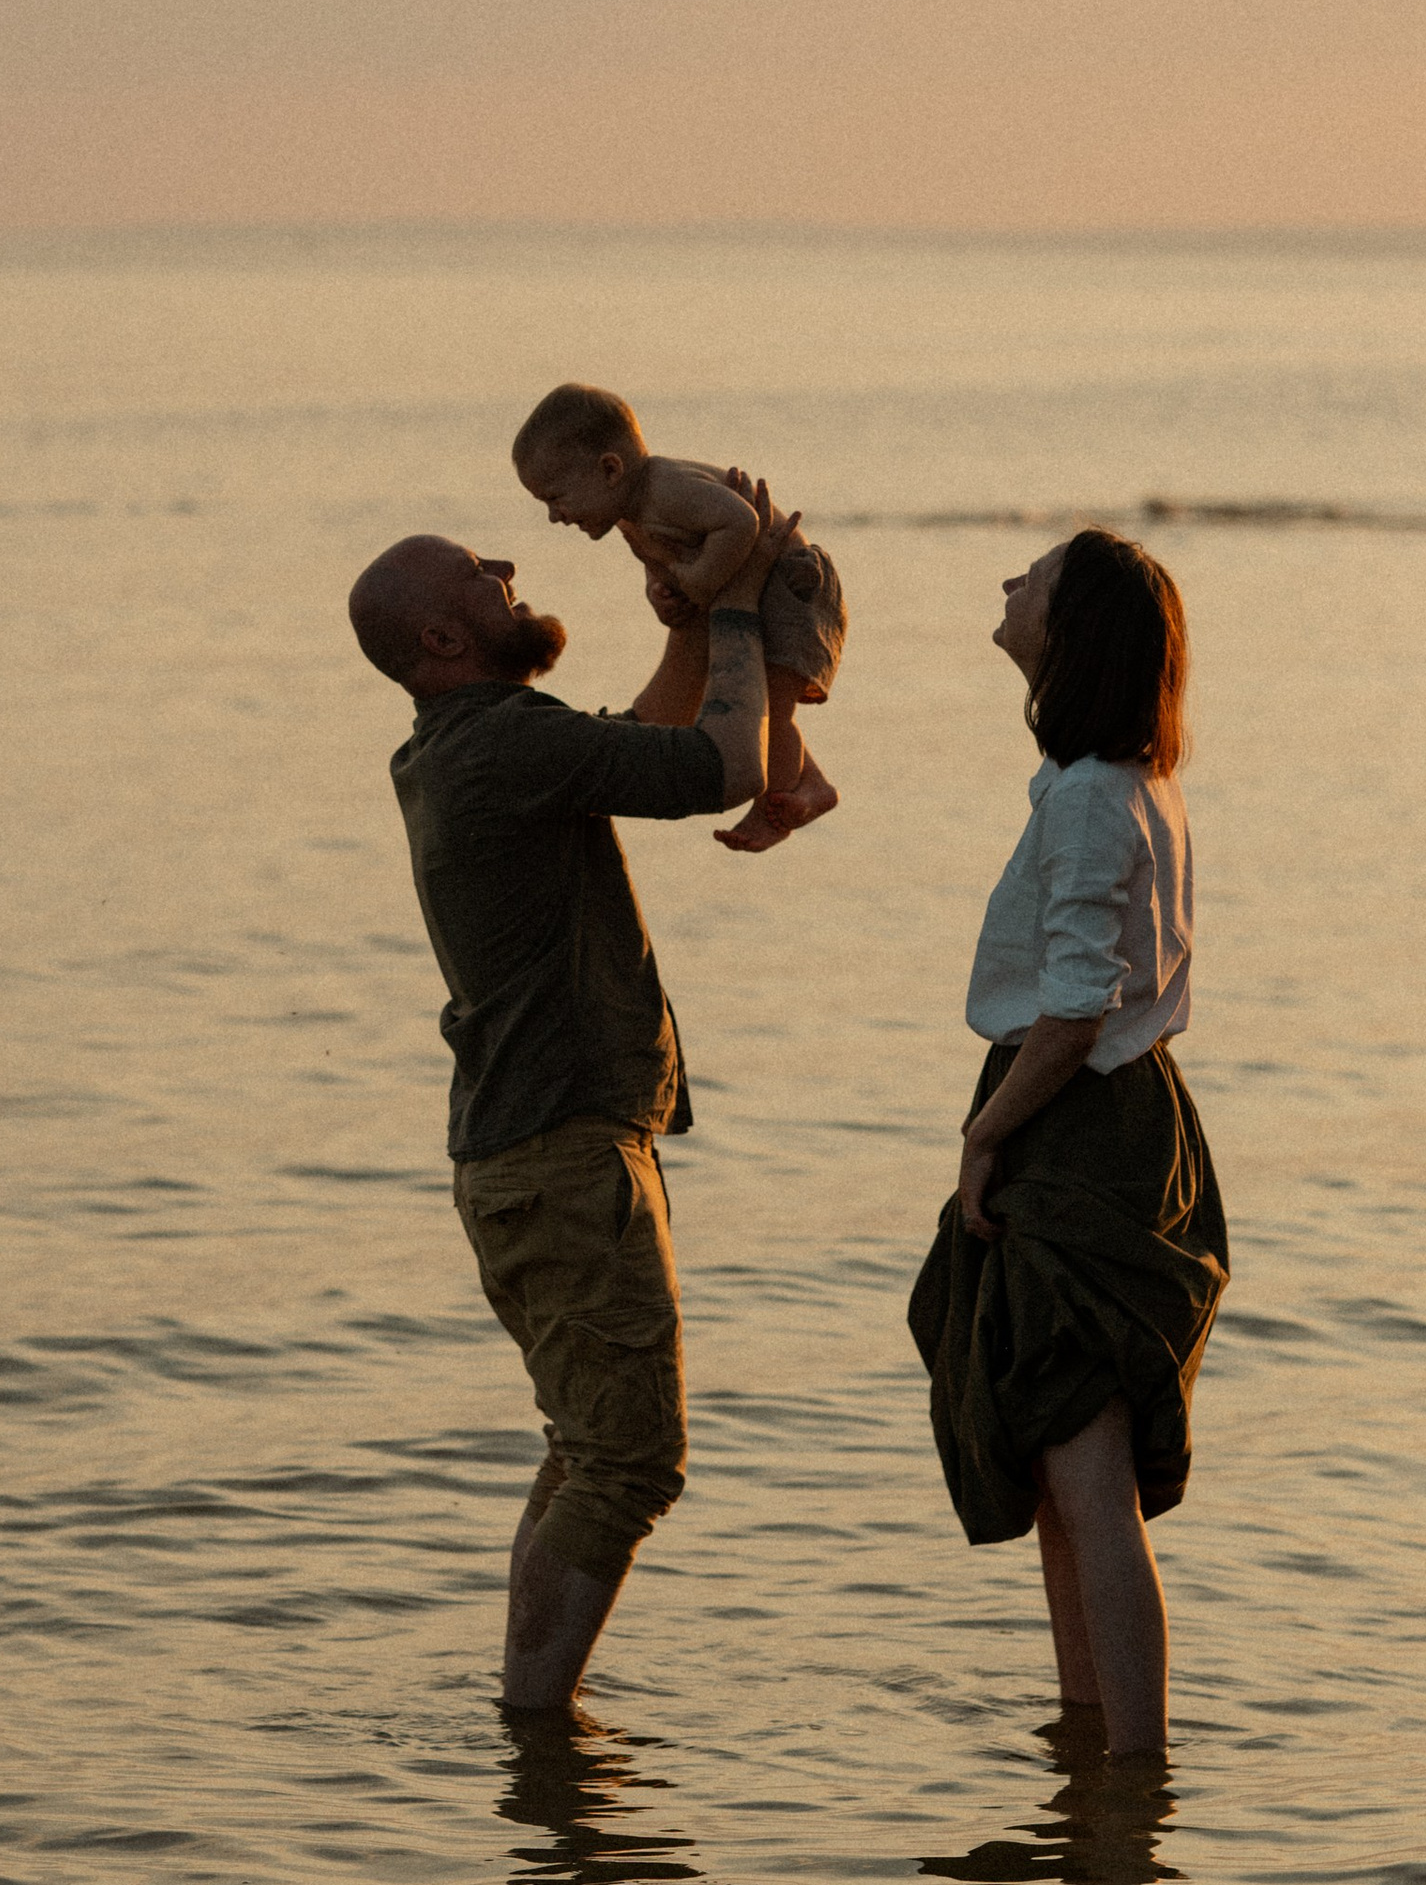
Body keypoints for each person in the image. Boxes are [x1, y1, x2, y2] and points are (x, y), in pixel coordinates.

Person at [348, 500, 795, 1712]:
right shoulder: (500, 747)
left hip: (530, 1156)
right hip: (558, 1158)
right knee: (627, 1459)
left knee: (587, 1448)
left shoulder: (471, 745)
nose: (508, 569)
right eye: (480, 575)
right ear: (444, 640)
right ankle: (536, 1727)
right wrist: (746, 600)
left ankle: (533, 1713)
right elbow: (718, 765)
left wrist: (696, 623)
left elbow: (638, 740)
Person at [908, 528, 1228, 1760]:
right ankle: (1088, 1742)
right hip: (1098, 1107)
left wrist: (985, 1133)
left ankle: (1130, 1770)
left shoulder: (1099, 793)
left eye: (1030, 580)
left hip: (1077, 1116)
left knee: (1086, 1473)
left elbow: (1078, 1003)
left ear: (1072, 630)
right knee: (1059, 1460)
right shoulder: (1108, 781)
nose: (1005, 586)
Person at [510, 381, 847, 853]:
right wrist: (661, 593)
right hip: (760, 585)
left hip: (791, 582)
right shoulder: (632, 515)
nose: (554, 516)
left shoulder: (667, 489)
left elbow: (741, 522)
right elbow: (660, 564)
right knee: (741, 695)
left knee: (772, 704)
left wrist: (704, 582)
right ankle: (812, 785)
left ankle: (781, 803)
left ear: (610, 469)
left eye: (556, 498)